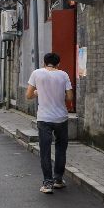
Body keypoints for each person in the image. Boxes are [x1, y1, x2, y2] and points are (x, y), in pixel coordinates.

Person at [26, 52, 73, 194]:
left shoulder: (36, 73)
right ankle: (58, 179)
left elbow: (28, 95)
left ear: (44, 62)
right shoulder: (63, 74)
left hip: (44, 118)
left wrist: (37, 93)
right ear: (58, 64)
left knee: (45, 150)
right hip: (61, 118)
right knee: (60, 149)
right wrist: (59, 95)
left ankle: (47, 183)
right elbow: (70, 97)